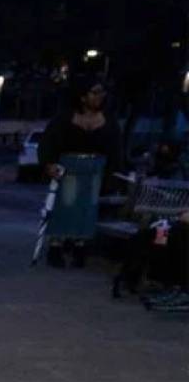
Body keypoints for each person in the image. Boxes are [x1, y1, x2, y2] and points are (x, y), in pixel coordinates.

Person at [38, 78, 123, 268]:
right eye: (95, 92)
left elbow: (116, 150)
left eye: (102, 92)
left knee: (87, 207)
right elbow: (48, 142)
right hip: (69, 166)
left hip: (94, 168)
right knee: (66, 204)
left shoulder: (108, 120)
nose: (99, 97)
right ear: (83, 97)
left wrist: (113, 175)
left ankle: (79, 246)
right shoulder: (66, 118)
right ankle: (56, 245)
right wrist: (48, 163)